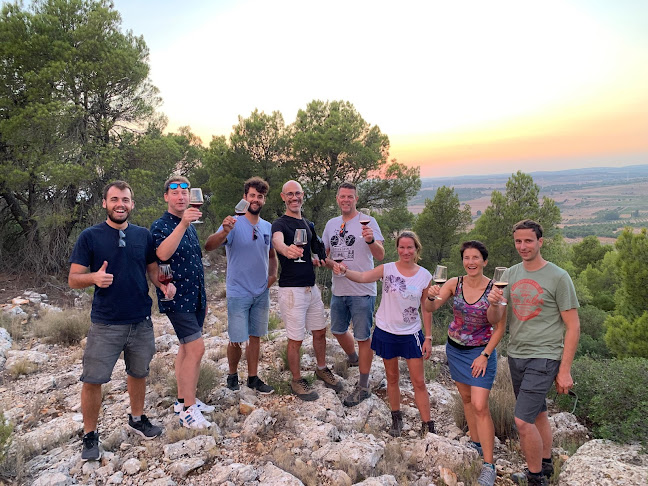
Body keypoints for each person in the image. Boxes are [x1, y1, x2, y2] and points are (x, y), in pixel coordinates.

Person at [69, 181, 170, 461]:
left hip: (140, 320)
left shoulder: (143, 235)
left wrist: (162, 284)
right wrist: (93, 278)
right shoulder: (90, 236)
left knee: (139, 373)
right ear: (104, 203)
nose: (120, 204)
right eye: (114, 199)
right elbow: (73, 278)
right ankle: (90, 435)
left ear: (132, 204)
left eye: (125, 199)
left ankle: (137, 419)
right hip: (106, 323)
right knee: (93, 380)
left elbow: (152, 268)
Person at [488, 220, 580, 486]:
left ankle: (535, 478)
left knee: (521, 420)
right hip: (517, 355)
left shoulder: (559, 277)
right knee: (538, 414)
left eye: (529, 241)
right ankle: (547, 465)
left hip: (546, 355)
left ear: (540, 242)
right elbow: (496, 318)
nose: (523, 246)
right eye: (518, 241)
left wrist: (564, 370)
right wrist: (493, 303)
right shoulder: (509, 275)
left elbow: (572, 326)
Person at [334, 231, 434, 437]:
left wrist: (429, 337)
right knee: (392, 378)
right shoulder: (387, 269)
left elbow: (426, 308)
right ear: (397, 248)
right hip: (386, 331)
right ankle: (396, 418)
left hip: (411, 333)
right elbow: (362, 277)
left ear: (417, 249)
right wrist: (344, 271)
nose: (405, 251)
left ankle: (428, 425)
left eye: (410, 247)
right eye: (402, 247)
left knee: (419, 382)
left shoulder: (425, 276)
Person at [425, 241, 505, 486]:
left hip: (481, 352)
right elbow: (431, 307)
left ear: (485, 261)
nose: (471, 262)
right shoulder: (454, 284)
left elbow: (498, 325)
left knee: (481, 405)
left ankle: (489, 466)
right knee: (467, 399)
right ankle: (476, 443)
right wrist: (429, 297)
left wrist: (485, 355)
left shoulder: (496, 289)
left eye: (476, 258)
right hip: (455, 349)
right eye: (467, 258)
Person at [151, 176, 214, 429]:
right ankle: (188, 412)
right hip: (176, 298)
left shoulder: (190, 225)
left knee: (186, 349)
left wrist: (204, 297)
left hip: (195, 296)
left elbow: (195, 262)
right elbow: (162, 254)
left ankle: (183, 401)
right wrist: (183, 224)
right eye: (175, 192)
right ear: (166, 197)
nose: (180, 196)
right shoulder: (162, 225)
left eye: (184, 192)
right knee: (197, 349)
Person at [205, 177, 277, 394]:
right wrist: (224, 231)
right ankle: (232, 374)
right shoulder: (233, 223)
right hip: (238, 291)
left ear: (264, 200)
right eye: (252, 195)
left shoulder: (267, 227)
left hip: (260, 291)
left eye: (260, 196)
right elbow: (209, 245)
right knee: (236, 338)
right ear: (245, 197)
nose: (256, 200)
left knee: (255, 337)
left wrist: (272, 276)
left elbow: (272, 255)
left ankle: (253, 378)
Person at [271, 180, 342, 401]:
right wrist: (286, 250)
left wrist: (330, 264)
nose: (294, 198)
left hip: (311, 289)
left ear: (303, 196)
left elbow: (318, 252)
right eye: (290, 194)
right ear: (283, 197)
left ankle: (321, 368)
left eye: (298, 194)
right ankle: (296, 379)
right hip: (291, 290)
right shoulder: (280, 224)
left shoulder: (308, 224)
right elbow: (277, 242)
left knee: (320, 332)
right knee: (296, 338)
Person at [322, 182, 384, 407]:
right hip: (339, 288)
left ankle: (364, 386)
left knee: (363, 337)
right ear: (337, 199)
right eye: (342, 196)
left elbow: (380, 255)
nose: (346, 200)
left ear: (356, 199)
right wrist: (332, 265)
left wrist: (369, 240)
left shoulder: (368, 222)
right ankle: (353, 358)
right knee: (338, 330)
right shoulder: (330, 225)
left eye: (350, 196)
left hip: (362, 291)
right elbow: (325, 255)